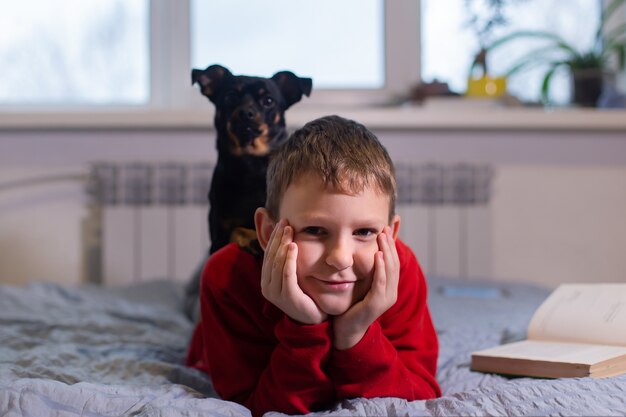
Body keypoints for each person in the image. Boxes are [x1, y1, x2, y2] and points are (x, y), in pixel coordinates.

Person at [186, 115, 441, 416]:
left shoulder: (401, 269)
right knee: (192, 305)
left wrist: (357, 334)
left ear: (391, 235)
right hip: (231, 291)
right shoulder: (226, 278)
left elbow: (419, 395)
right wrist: (303, 329)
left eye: (364, 232)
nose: (340, 258)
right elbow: (252, 405)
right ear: (268, 232)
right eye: (315, 231)